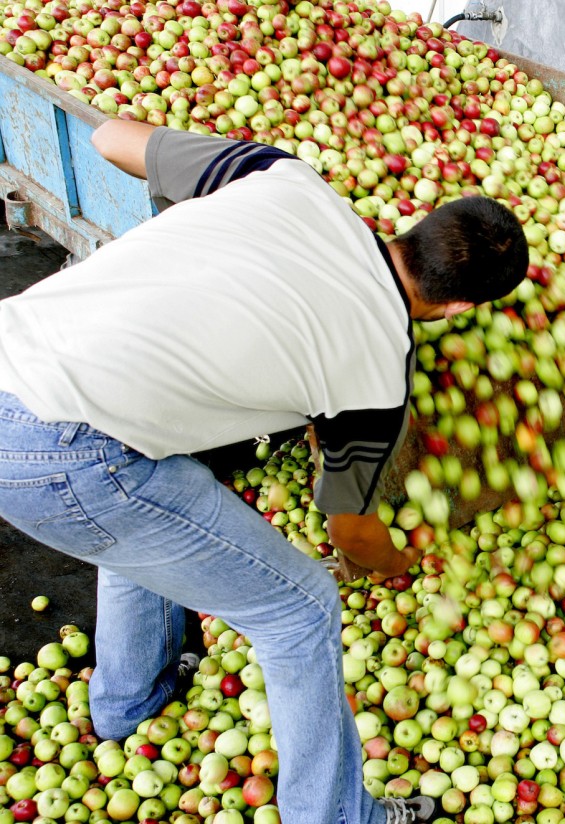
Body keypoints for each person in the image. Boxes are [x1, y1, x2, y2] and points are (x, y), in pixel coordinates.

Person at [0, 121, 528, 824]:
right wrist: (403, 559)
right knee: (301, 608)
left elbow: (108, 141)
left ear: (416, 225)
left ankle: (128, 707)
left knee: (144, 509)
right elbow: (352, 533)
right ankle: (338, 816)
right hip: (62, 453)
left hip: (17, 356)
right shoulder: (376, 368)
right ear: (460, 307)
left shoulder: (288, 181)